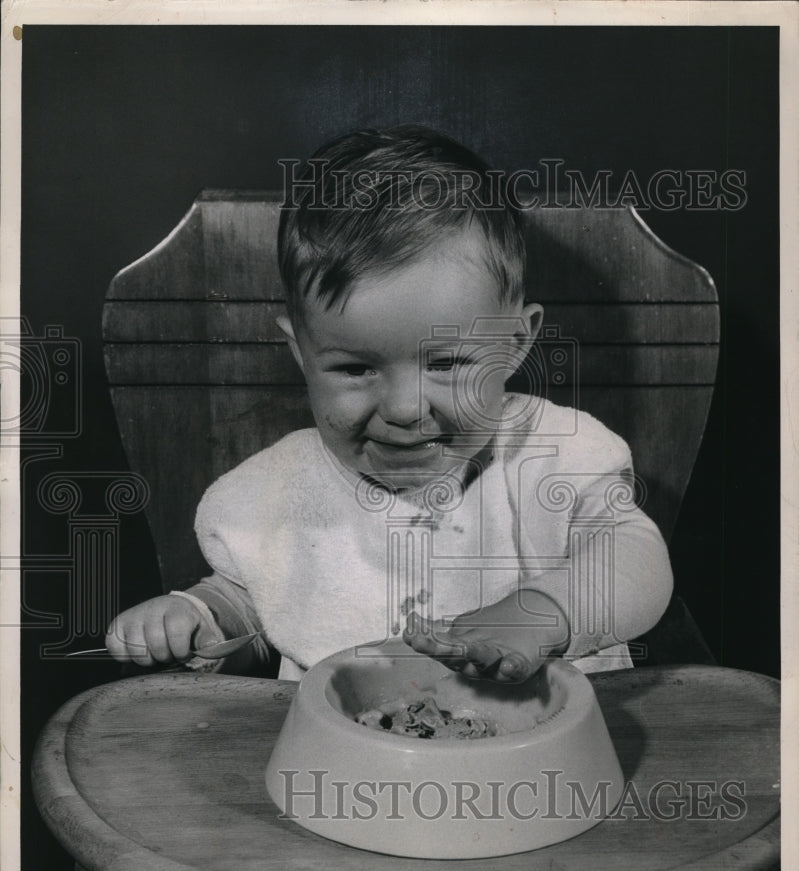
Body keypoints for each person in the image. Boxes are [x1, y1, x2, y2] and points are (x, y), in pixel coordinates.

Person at [105, 125, 673, 685]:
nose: (404, 409)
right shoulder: (278, 491)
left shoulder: (553, 458)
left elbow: (636, 559)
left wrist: (540, 614)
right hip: (336, 745)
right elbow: (258, 608)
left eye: (446, 364)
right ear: (302, 353)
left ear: (514, 343)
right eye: (355, 369)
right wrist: (203, 622)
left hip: (542, 739)